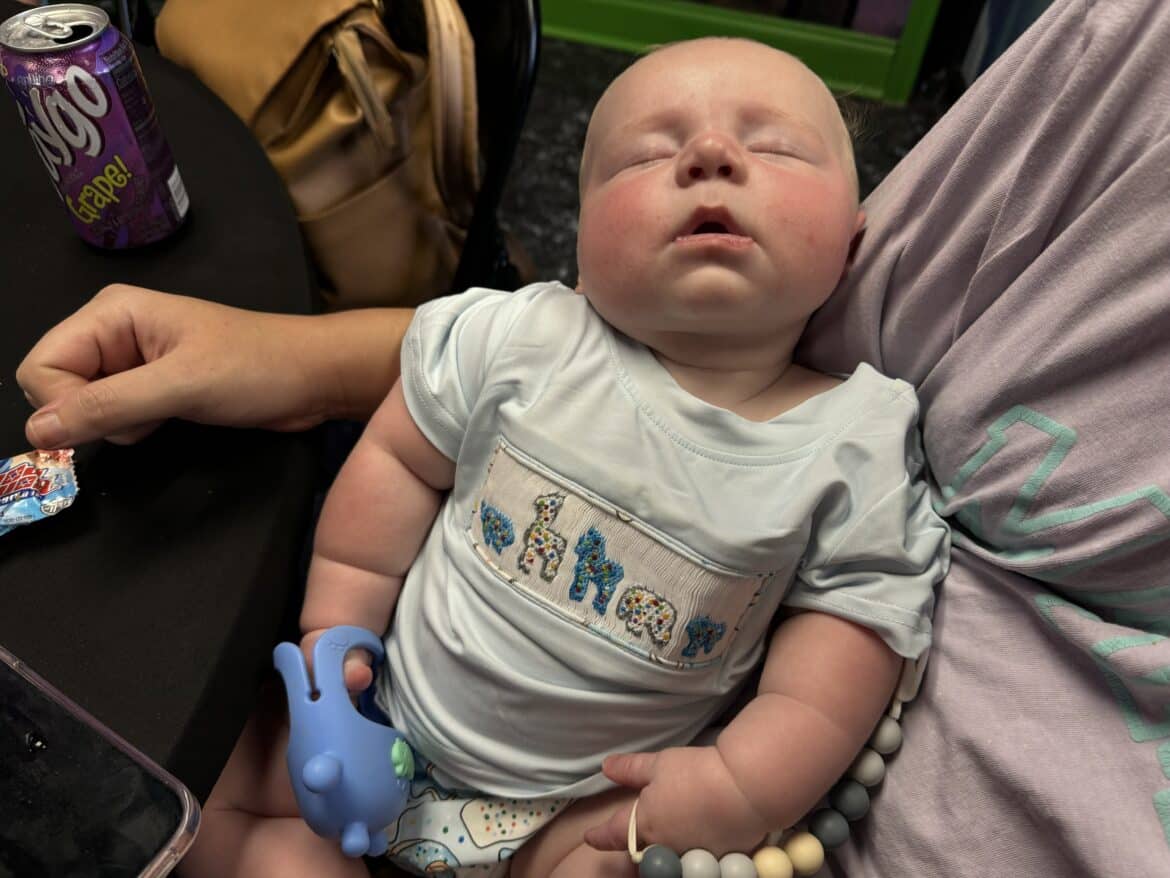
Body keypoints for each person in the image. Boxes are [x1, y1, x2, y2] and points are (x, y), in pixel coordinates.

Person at [21, 1, 1170, 875]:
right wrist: (336, 632)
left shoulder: (855, 441)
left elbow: (846, 648)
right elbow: (399, 460)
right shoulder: (521, 334)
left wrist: (731, 785)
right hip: (387, 709)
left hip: (576, 811)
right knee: (208, 793)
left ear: (857, 240)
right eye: (645, 154)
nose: (708, 158)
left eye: (773, 148)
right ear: (578, 236)